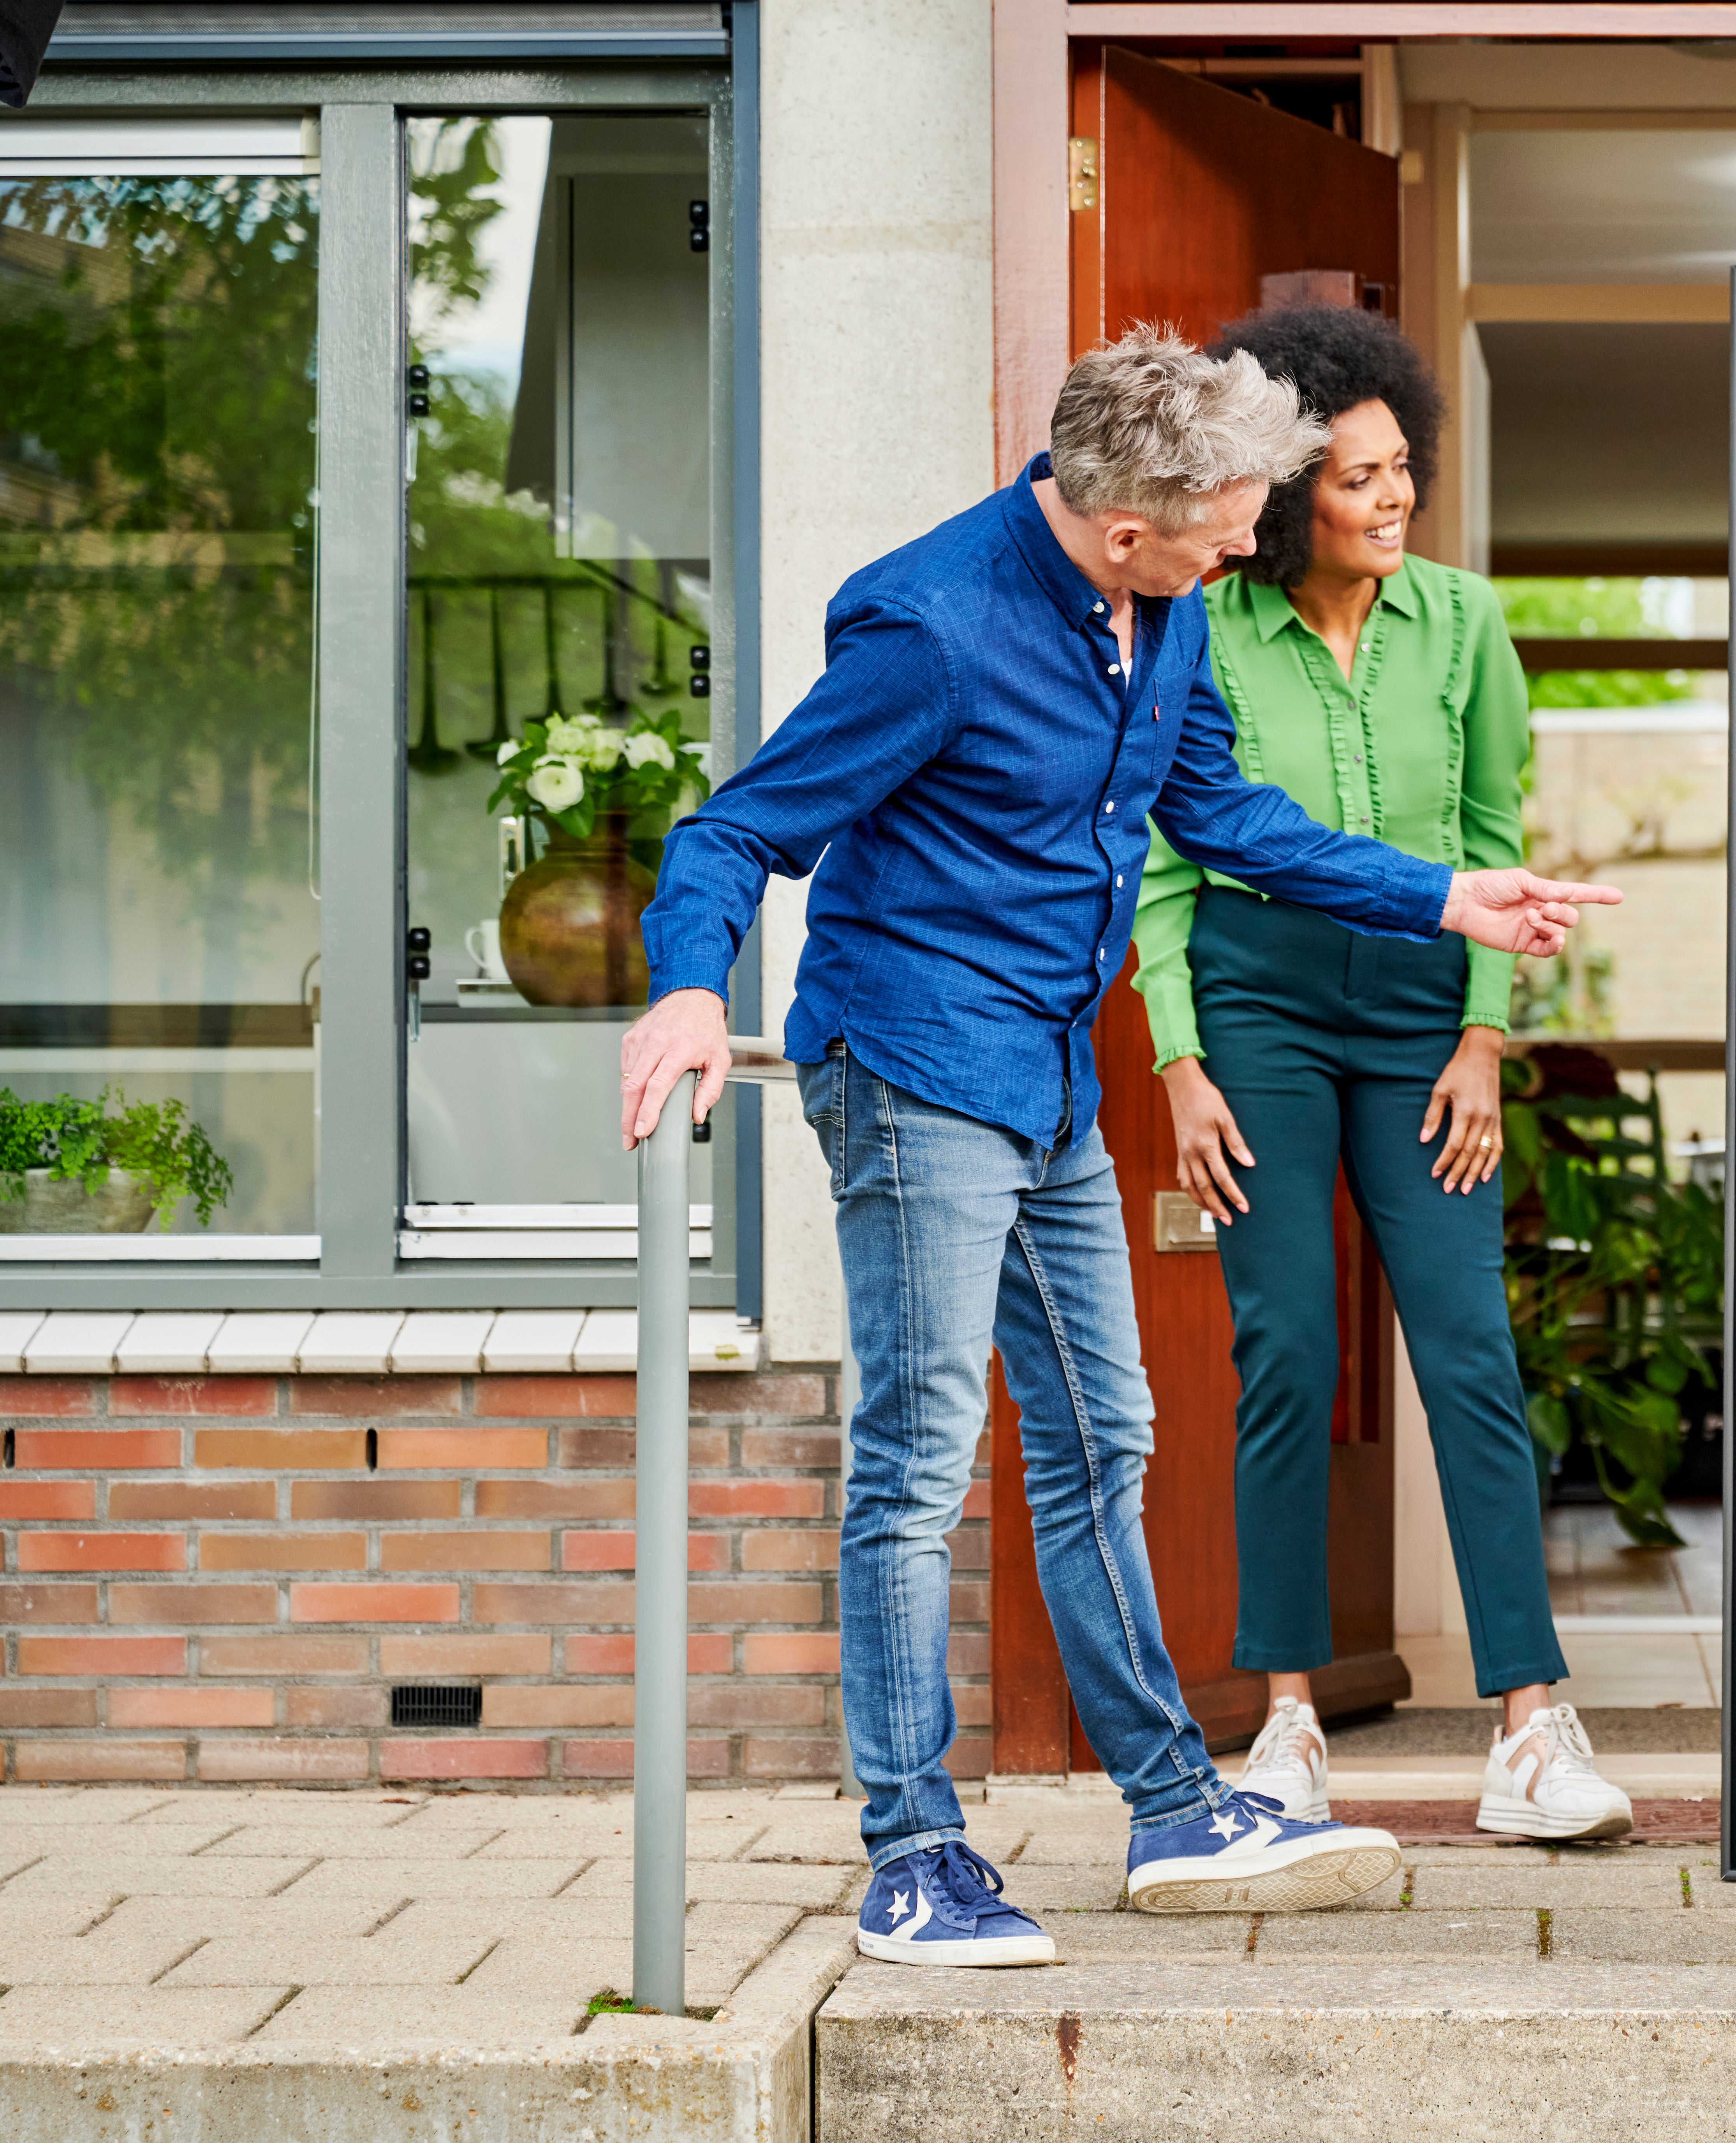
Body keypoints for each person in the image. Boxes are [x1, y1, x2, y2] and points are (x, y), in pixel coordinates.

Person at [618, 328, 1620, 1963]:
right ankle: (915, 1856)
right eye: (1223, 531)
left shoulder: (1164, 611)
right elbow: (740, 826)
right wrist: (682, 987)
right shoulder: (931, 625)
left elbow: (1224, 818)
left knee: (1104, 1438)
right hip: (914, 1064)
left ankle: (1175, 1805)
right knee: (922, 1454)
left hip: (1050, 1082)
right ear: (1128, 522)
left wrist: (1450, 897)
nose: (1246, 550)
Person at [1131, 304, 1629, 1843]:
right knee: (1285, 1353)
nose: (1395, 495)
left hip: (1424, 1012)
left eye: (1403, 465)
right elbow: (1169, 853)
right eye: (1359, 477)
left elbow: (1491, 832)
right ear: (1291, 498)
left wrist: (1484, 1038)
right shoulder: (1205, 628)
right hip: (1259, 1006)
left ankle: (1530, 1728)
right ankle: (1286, 1721)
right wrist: (1181, 1060)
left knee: (1470, 1350)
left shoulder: (1464, 622)